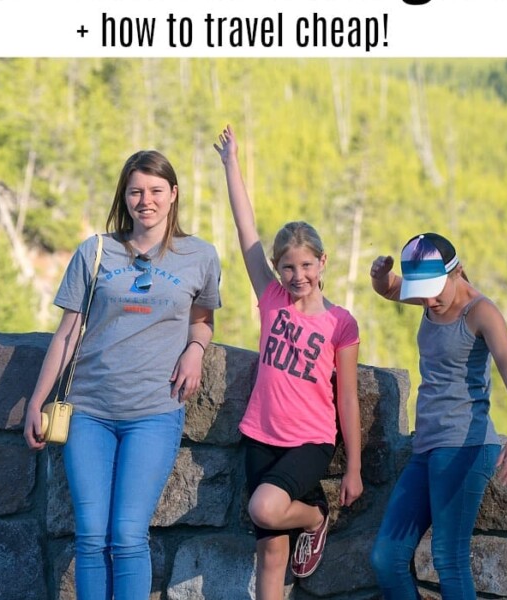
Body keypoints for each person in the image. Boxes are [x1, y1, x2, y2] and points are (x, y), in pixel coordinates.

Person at [24, 149, 221, 600]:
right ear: (124, 196)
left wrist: (195, 348)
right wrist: (36, 403)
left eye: (155, 191)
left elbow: (203, 319)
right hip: (88, 412)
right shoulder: (95, 251)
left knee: (128, 536)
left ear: (173, 195)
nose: (145, 200)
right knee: (91, 538)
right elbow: (66, 335)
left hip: (154, 412)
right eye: (136, 191)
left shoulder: (200, 256)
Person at [214, 124, 363, 599]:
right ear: (278, 270)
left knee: (263, 508)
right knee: (271, 555)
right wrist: (231, 162)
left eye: (306, 265)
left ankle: (315, 516)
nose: (297, 276)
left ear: (323, 263)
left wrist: (354, 467)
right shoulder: (271, 298)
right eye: (288, 267)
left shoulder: (341, 323)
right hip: (261, 434)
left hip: (310, 441)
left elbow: (349, 399)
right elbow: (247, 231)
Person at [369, 232, 507, 600]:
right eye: (422, 290)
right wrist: (380, 275)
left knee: (448, 557)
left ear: (456, 272)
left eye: (434, 288)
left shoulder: (481, 313)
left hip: (465, 445)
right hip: (427, 446)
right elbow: (391, 288)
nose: (428, 299)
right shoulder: (430, 296)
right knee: (386, 558)